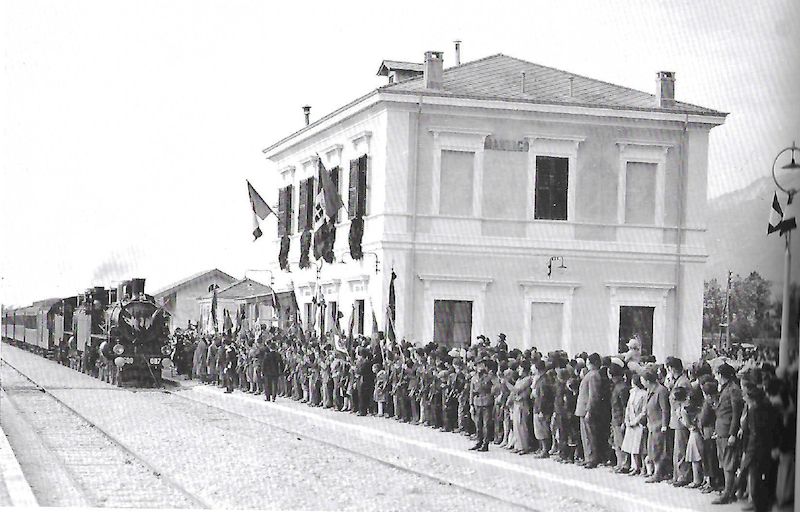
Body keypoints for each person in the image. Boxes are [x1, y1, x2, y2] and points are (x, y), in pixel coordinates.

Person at [712, 363, 744, 505]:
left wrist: (732, 433)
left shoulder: (733, 390)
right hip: (721, 430)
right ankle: (728, 490)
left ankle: (728, 493)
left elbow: (736, 414)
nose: (715, 377)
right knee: (724, 463)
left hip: (727, 432)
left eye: (717, 374)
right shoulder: (727, 388)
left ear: (721, 375)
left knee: (729, 464)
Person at [643, 369, 671, 483]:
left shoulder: (661, 391)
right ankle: (657, 472)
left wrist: (664, 425)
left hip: (659, 425)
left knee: (658, 449)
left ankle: (658, 473)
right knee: (652, 449)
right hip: (652, 424)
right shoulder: (651, 391)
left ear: (648, 381)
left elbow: (665, 409)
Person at [575, 353, 603, 468]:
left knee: (589, 435)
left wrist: (589, 410)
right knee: (585, 435)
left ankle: (591, 458)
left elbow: (593, 395)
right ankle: (588, 457)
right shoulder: (591, 374)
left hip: (587, 409)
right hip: (583, 409)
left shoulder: (593, 375)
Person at [667, 357, 692, 486]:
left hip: (680, 418)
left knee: (681, 448)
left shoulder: (683, 382)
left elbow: (683, 401)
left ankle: (683, 475)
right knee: (677, 449)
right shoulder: (677, 381)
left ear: (672, 368)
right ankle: (677, 475)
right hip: (676, 418)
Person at [470, 357, 499, 452]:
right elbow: (471, 391)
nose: (479, 367)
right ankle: (479, 441)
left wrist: (491, 393)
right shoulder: (474, 378)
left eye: (481, 364)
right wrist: (471, 404)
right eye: (478, 365)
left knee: (486, 424)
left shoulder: (489, 377)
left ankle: (485, 444)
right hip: (477, 402)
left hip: (487, 402)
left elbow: (497, 386)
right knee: (478, 424)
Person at [622, 373, 648, 475]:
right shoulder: (632, 393)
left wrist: (635, 421)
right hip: (631, 423)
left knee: (640, 447)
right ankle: (634, 466)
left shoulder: (644, 394)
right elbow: (628, 407)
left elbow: (643, 411)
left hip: (638, 423)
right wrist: (627, 420)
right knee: (631, 446)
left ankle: (642, 468)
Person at [608, 363, 630, 472]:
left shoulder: (621, 388)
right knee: (617, 442)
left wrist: (624, 421)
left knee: (621, 443)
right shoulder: (619, 386)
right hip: (616, 418)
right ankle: (620, 463)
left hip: (619, 418)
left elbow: (625, 406)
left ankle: (624, 464)